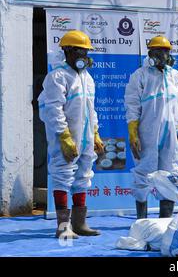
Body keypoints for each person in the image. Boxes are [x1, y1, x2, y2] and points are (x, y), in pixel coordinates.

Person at [38, 30, 104, 239]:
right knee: (62, 175)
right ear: (67, 52)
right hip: (65, 137)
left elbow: (91, 110)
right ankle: (63, 226)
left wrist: (95, 133)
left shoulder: (87, 78)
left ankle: (80, 223)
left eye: (86, 52)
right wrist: (64, 136)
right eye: (80, 51)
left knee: (83, 176)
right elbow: (54, 109)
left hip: (84, 137)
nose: (84, 56)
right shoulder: (57, 77)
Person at [124, 35, 178, 219]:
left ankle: (165, 220)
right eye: (158, 52)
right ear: (150, 54)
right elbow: (132, 105)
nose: (163, 55)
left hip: (170, 136)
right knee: (143, 172)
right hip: (147, 134)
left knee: (170, 174)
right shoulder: (141, 76)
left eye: (166, 52)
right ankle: (142, 220)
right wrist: (133, 131)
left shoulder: (177, 78)